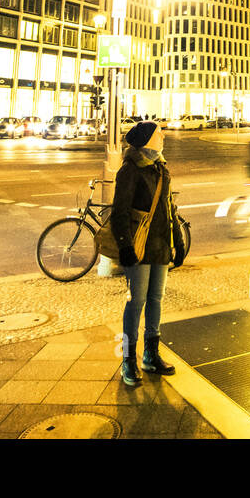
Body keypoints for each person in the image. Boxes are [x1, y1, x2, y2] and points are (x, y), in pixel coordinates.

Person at [111, 120, 178, 388]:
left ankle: (151, 355)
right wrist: (125, 247)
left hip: (160, 245)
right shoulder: (130, 170)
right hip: (139, 248)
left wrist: (178, 242)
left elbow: (168, 207)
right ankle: (128, 359)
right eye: (159, 134)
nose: (163, 137)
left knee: (156, 300)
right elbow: (119, 213)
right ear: (147, 139)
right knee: (136, 302)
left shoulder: (161, 168)